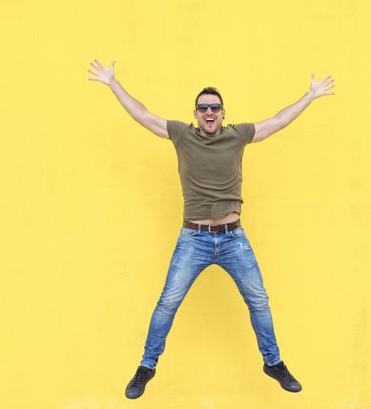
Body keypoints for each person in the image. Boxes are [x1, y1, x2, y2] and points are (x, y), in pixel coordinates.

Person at [87, 59, 335, 399]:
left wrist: (310, 95)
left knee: (259, 301)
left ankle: (273, 362)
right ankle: (146, 367)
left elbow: (277, 121)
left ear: (222, 112)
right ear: (195, 113)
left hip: (234, 239)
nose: (209, 112)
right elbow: (143, 115)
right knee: (167, 303)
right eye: (203, 107)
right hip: (194, 239)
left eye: (214, 108)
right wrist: (113, 82)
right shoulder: (182, 135)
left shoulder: (238, 135)